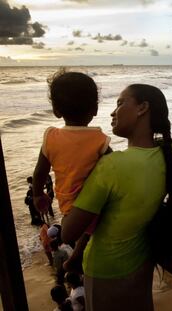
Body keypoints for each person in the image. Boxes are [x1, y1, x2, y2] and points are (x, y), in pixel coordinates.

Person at [62, 84, 172, 310]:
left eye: (120, 103)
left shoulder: (112, 166)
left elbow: (68, 231)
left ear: (142, 108)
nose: (112, 112)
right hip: (142, 264)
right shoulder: (167, 156)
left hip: (104, 271)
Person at [32, 70, 111, 274]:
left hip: (67, 203)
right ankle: (77, 258)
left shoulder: (51, 137)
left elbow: (40, 172)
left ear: (56, 110)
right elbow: (113, 168)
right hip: (94, 204)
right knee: (90, 228)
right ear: (94, 109)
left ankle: (76, 258)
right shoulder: (100, 140)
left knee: (72, 232)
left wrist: (38, 195)